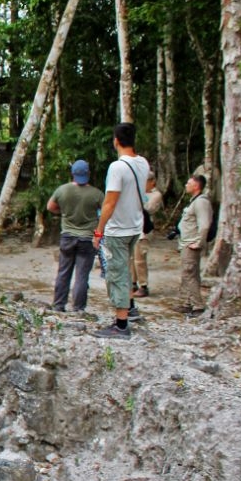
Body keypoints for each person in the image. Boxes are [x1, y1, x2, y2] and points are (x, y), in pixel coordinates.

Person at [92, 123, 151, 338]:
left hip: (118, 229)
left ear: (116, 140)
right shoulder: (143, 163)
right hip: (135, 226)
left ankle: (121, 324)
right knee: (125, 269)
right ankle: (131, 308)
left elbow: (109, 203)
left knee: (116, 273)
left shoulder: (117, 167)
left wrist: (99, 231)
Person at [47, 159, 103, 312]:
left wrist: (64, 212)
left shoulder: (62, 190)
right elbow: (105, 215)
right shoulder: (97, 194)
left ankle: (58, 305)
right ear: (88, 174)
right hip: (87, 239)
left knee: (64, 271)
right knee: (82, 275)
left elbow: (50, 207)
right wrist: (98, 234)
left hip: (67, 236)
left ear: (72, 174)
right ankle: (78, 308)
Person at [175, 174, 213, 316]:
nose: (186, 185)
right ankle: (188, 302)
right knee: (188, 273)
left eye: (188, 183)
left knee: (189, 273)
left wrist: (198, 242)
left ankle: (198, 306)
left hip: (192, 243)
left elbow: (204, 225)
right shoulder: (194, 201)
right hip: (186, 242)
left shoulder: (201, 202)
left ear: (196, 186)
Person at [131, 169, 164, 298]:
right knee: (131, 258)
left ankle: (143, 285)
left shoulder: (156, 195)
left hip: (145, 228)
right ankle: (132, 282)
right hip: (133, 227)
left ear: (151, 182)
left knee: (140, 259)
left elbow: (149, 208)